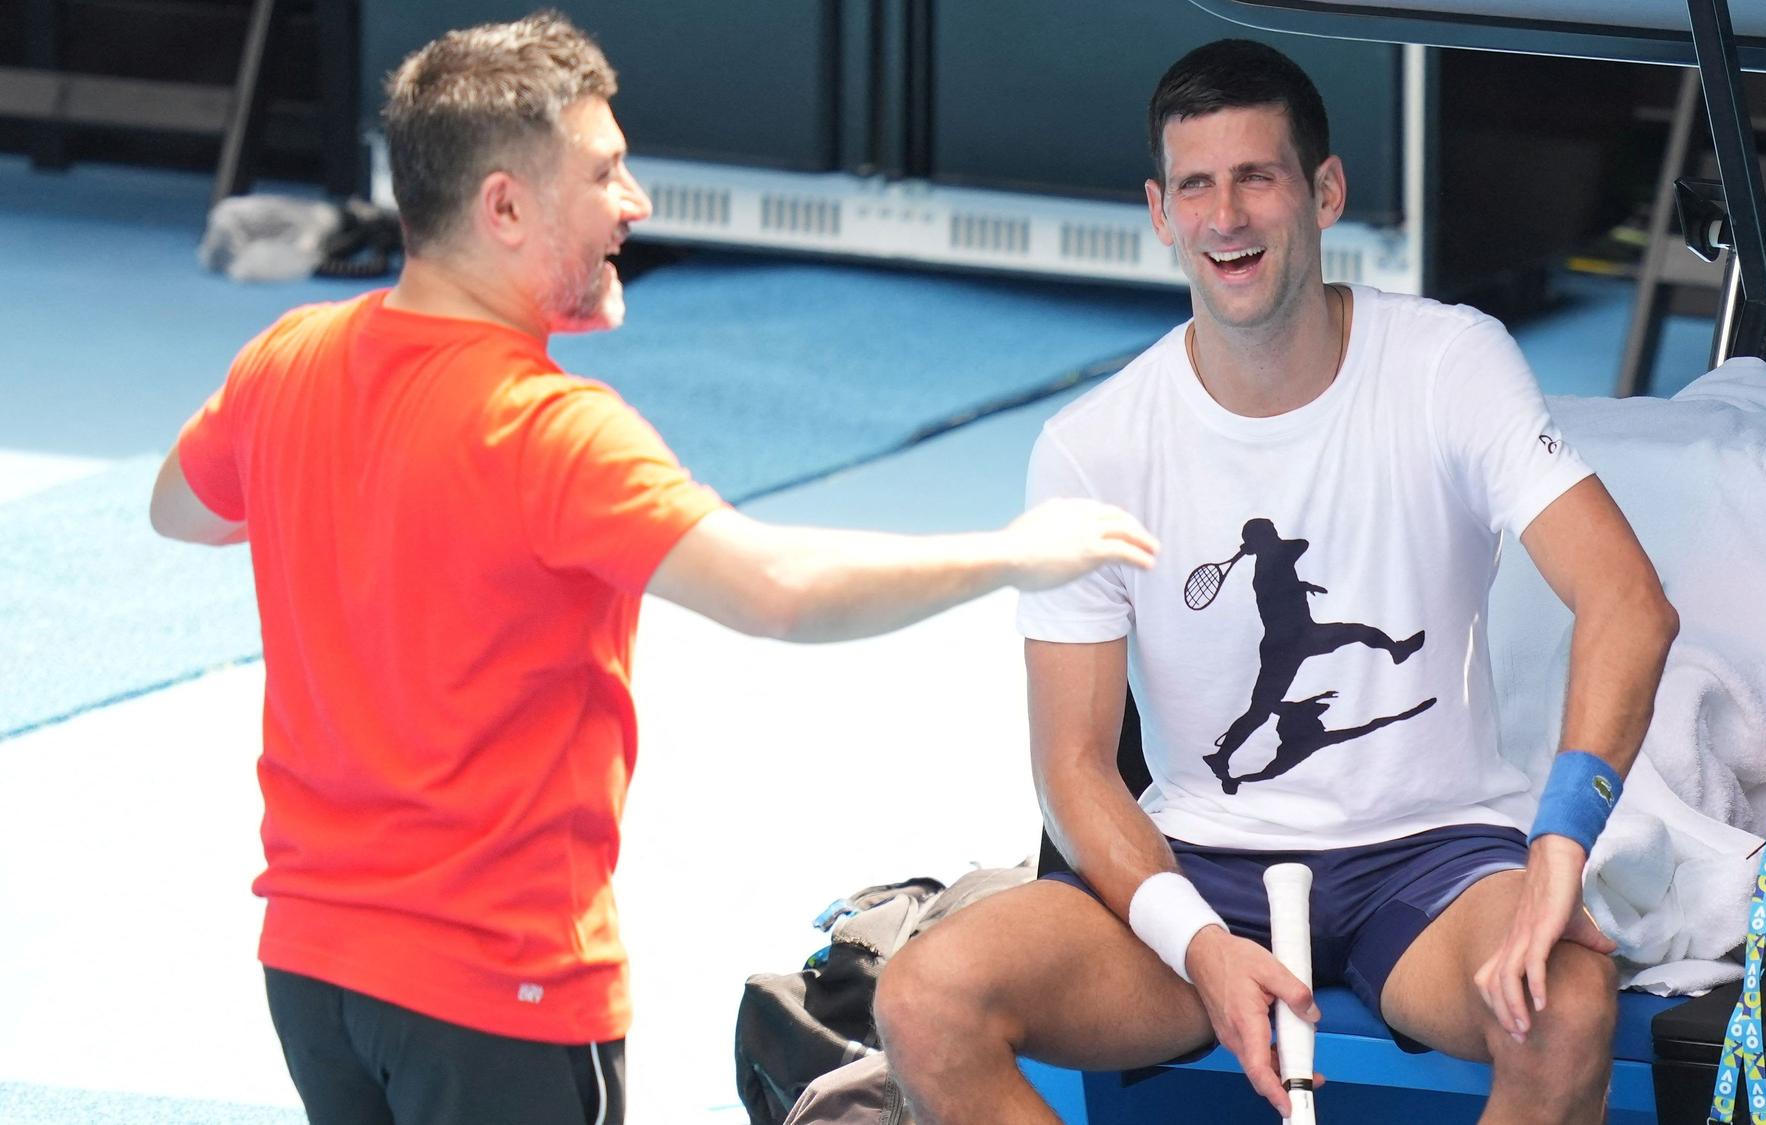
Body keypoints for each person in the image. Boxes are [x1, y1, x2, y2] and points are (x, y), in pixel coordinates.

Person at [145, 13, 1156, 1125]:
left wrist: (353, 501)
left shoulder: (284, 361)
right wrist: (1015, 553)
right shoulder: (550, 431)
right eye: (606, 172)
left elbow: (180, 510)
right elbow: (776, 591)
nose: (636, 203)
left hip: (312, 973)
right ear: (504, 207)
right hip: (493, 984)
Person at [874, 37, 1677, 1125]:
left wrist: (1554, 855)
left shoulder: (1448, 363)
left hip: (1429, 859)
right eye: (1195, 186)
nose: (1225, 216)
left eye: (1255, 176)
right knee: (925, 997)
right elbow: (1071, 765)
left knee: (1563, 1006)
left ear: (1323, 191)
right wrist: (1195, 944)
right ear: (1159, 212)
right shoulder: (1092, 445)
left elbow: (1626, 600)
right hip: (1202, 864)